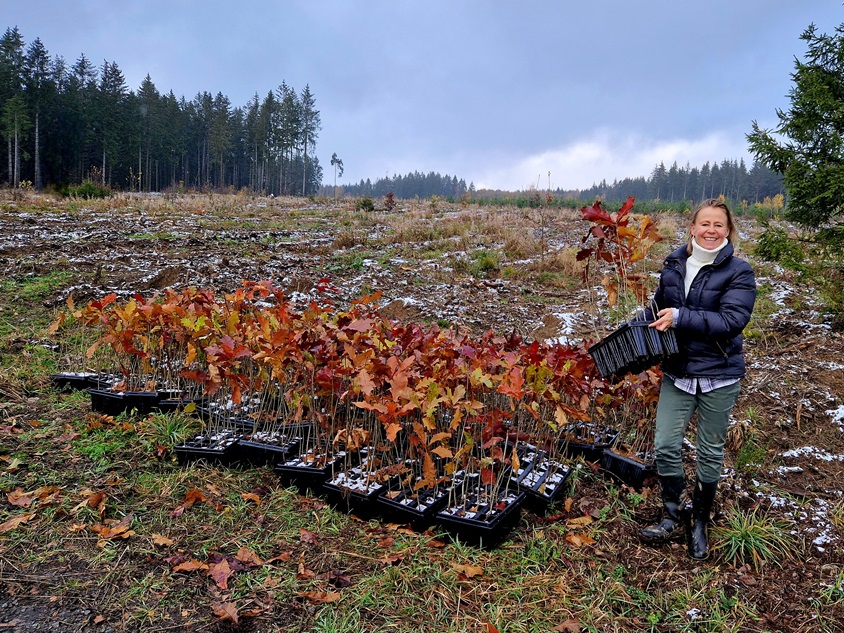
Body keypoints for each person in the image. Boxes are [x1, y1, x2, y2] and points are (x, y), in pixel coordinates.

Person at [639, 198, 756, 560]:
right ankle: (672, 513)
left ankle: (700, 520)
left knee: (709, 452)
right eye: (704, 223)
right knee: (666, 445)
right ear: (692, 227)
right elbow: (660, 307)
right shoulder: (674, 264)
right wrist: (639, 327)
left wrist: (680, 317)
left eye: (718, 225)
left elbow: (731, 321)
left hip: (719, 376)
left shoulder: (739, 271)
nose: (710, 230)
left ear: (728, 230)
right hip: (679, 372)